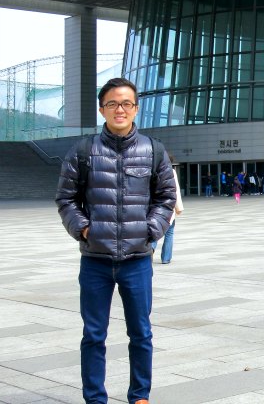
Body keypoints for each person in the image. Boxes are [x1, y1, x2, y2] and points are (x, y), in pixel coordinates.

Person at [56, 77, 176, 404]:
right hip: (95, 261)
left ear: (136, 108)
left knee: (141, 334)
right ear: (102, 109)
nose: (119, 109)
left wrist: (150, 230)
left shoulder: (153, 150)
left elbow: (166, 197)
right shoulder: (83, 151)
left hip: (137, 262)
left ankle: (140, 396)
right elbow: (66, 199)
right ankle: (95, 399)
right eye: (112, 103)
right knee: (93, 336)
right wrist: (84, 229)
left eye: (126, 103)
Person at [152, 155, 184, 264]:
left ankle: (150, 250)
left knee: (154, 230)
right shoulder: (171, 172)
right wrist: (179, 207)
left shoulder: (153, 170)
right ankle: (166, 258)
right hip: (168, 207)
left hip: (154, 207)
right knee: (169, 233)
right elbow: (176, 191)